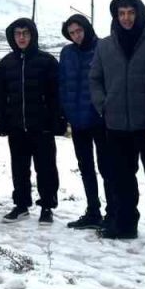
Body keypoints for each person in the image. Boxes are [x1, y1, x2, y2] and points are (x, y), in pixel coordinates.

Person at [90, 0, 145, 246]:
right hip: (116, 124)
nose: (126, 18)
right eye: (121, 13)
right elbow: (94, 78)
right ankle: (125, 225)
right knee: (121, 179)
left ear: (140, 14)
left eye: (131, 12)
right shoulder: (105, 45)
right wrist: (103, 104)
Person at [0, 18, 63, 224]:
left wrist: (57, 119)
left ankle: (47, 207)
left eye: (25, 33)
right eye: (17, 33)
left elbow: (55, 95)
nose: (22, 37)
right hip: (17, 125)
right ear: (12, 36)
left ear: (32, 35)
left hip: (41, 126)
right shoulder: (6, 63)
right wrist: (1, 120)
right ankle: (21, 204)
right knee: (19, 167)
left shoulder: (47, 61)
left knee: (46, 168)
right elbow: (0, 96)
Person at [59, 14, 105, 230]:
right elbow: (63, 84)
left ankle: (113, 211)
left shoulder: (102, 48)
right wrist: (66, 111)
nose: (76, 36)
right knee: (85, 166)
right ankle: (93, 210)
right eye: (72, 33)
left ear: (87, 28)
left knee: (107, 167)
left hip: (100, 119)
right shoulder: (67, 53)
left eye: (79, 31)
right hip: (77, 119)